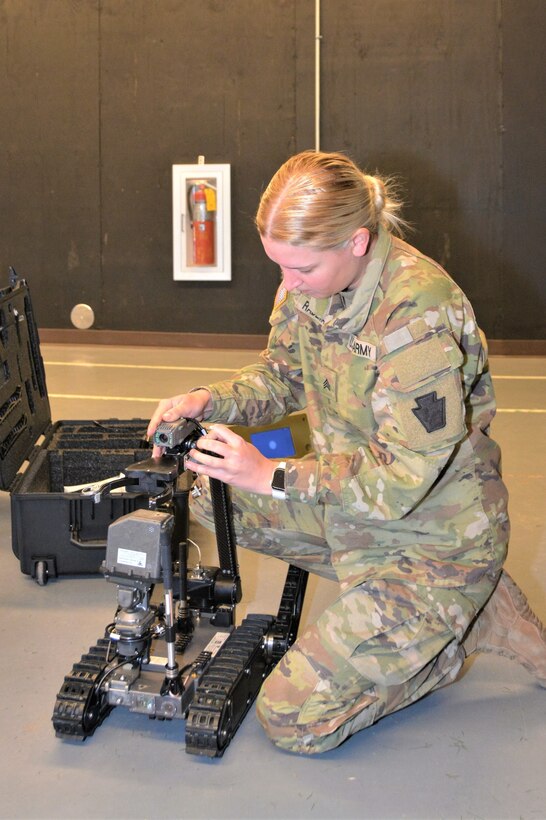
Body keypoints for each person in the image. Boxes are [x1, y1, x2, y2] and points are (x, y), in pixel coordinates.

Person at [148, 150, 546, 755]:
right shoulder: (308, 287)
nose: (287, 282)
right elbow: (281, 377)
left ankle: (446, 633)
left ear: (357, 242)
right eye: (279, 265)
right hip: (359, 512)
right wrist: (208, 401)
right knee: (214, 493)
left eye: (300, 266)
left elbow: (403, 480)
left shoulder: (417, 319)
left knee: (294, 719)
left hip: (435, 538)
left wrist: (273, 474)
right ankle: (445, 612)